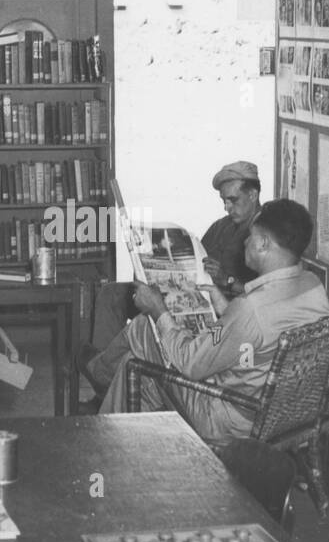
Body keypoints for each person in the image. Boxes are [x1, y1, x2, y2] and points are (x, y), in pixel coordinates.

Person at [98, 199, 329, 448]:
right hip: (286, 409)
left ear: (264, 244)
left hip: (231, 419)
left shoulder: (250, 310)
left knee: (146, 326)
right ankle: (118, 441)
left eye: (251, 236)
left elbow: (190, 363)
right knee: (134, 370)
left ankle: (99, 374)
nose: (245, 242)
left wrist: (158, 310)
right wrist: (227, 309)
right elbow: (262, 331)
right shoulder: (312, 284)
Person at [80, 161, 264, 397]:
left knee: (141, 327)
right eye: (224, 201)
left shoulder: (264, 235)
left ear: (253, 194)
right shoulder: (222, 226)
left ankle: (102, 373)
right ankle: (105, 382)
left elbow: (262, 295)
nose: (227, 207)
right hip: (190, 293)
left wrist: (228, 281)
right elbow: (193, 261)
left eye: (233, 200)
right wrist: (149, 264)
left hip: (219, 310)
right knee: (113, 294)